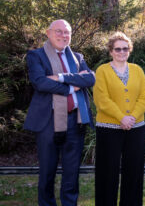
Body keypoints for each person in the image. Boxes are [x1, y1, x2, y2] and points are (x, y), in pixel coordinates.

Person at [25, 19, 95, 206]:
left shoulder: (77, 58)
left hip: (75, 121)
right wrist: (72, 88)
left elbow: (90, 78)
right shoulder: (36, 56)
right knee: (47, 172)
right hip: (48, 122)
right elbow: (41, 82)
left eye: (67, 32)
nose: (63, 35)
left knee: (72, 173)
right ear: (48, 33)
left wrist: (61, 77)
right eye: (59, 31)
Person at [93, 32, 145, 206]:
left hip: (135, 127)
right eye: (117, 49)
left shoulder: (137, 70)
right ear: (111, 51)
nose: (121, 52)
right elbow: (102, 100)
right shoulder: (102, 71)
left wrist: (131, 117)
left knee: (133, 170)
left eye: (125, 48)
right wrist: (121, 117)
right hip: (109, 128)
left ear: (129, 50)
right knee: (107, 170)